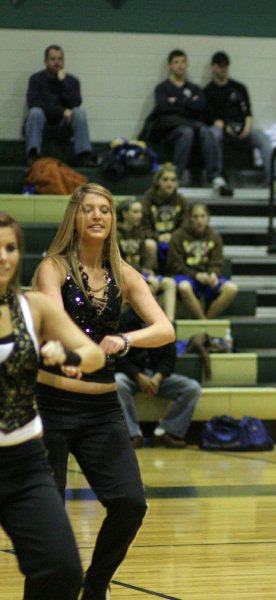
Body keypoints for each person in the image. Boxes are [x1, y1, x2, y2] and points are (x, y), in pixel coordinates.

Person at [32, 183, 175, 600]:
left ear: (113, 220)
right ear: (74, 218)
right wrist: (83, 351)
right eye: (88, 209)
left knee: (131, 503)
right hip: (51, 408)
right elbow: (53, 321)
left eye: (105, 210)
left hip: (102, 412)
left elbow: (165, 329)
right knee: (48, 520)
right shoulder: (53, 268)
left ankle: (95, 585)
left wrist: (125, 340)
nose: (97, 216)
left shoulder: (125, 274)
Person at [0, 212, 105, 599]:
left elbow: (93, 356)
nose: (3, 257)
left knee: (62, 570)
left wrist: (64, 357)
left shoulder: (35, 307)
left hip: (25, 464)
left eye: (10, 248)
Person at [145, 50, 231, 195]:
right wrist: (188, 103)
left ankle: (215, 176)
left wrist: (176, 101)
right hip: (170, 131)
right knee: (186, 132)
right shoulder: (162, 88)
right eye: (176, 62)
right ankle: (176, 177)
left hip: (194, 129)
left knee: (207, 130)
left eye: (183, 62)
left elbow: (200, 105)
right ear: (170, 66)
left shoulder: (194, 88)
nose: (180, 65)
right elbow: (164, 106)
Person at [115, 310, 200, 449]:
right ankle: (133, 434)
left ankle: (165, 433)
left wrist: (158, 377)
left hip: (157, 375)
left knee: (192, 388)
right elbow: (118, 357)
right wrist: (137, 375)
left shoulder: (163, 320)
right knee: (118, 383)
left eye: (153, 295)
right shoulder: (123, 321)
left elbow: (170, 357)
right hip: (131, 376)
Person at [204, 51, 276, 188]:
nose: (223, 69)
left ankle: (275, 178)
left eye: (226, 66)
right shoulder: (208, 91)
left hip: (242, 125)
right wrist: (226, 128)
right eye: (220, 66)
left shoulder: (239, 88)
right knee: (213, 134)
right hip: (222, 127)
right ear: (213, 67)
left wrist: (247, 126)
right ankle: (216, 176)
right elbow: (212, 118)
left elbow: (248, 112)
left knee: (263, 137)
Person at [24, 44, 96, 167]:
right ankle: (33, 155)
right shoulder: (36, 79)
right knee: (35, 111)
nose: (56, 62)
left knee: (80, 112)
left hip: (64, 126)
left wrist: (63, 82)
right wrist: (61, 111)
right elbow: (33, 102)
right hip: (43, 123)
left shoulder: (72, 81)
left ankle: (84, 156)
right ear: (45, 61)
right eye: (53, 59)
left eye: (60, 59)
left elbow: (76, 102)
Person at [167, 203, 239, 319]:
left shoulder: (214, 236)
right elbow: (175, 264)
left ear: (208, 218)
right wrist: (196, 275)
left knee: (232, 288)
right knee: (184, 287)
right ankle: (203, 323)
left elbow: (217, 262)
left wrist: (213, 274)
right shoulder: (178, 236)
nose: (199, 220)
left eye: (202, 216)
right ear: (189, 218)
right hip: (186, 276)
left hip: (207, 277)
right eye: (195, 217)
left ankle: (205, 321)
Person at [117, 198, 176, 321]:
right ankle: (152, 323)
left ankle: (169, 322)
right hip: (124, 276)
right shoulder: (116, 234)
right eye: (135, 212)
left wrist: (148, 270)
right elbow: (119, 262)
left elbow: (144, 257)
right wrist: (145, 278)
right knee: (147, 288)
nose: (139, 215)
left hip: (140, 274)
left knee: (169, 283)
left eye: (140, 212)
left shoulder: (139, 232)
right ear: (125, 214)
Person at [141, 163, 188, 263]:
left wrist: (173, 236)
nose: (169, 183)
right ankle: (152, 273)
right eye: (165, 180)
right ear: (158, 181)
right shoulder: (147, 199)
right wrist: (158, 237)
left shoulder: (181, 201)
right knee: (150, 244)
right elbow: (143, 226)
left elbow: (185, 226)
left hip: (174, 239)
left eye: (173, 180)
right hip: (153, 239)